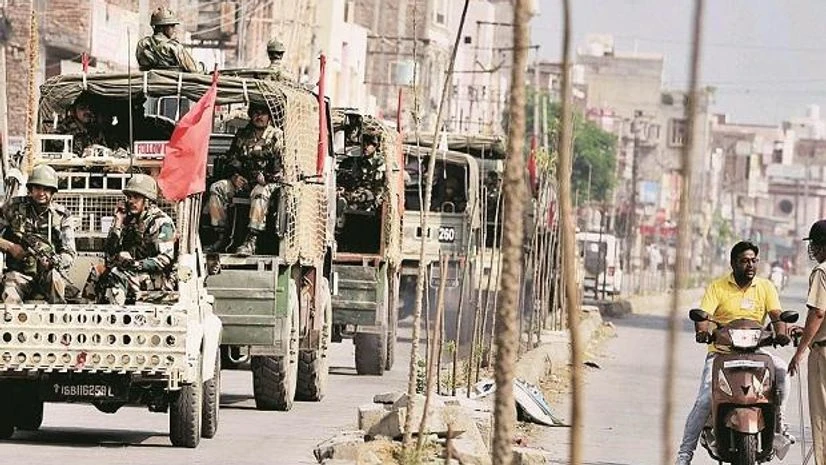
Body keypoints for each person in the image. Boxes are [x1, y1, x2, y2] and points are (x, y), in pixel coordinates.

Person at [675, 241, 794, 465]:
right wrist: (703, 332)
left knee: (782, 370)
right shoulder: (717, 287)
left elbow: (777, 315)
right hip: (721, 353)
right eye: (744, 261)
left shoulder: (766, 287)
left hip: (755, 353)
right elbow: (703, 316)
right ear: (733, 264)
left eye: (753, 261)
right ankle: (684, 454)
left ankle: (779, 421)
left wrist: (781, 332)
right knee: (704, 399)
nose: (750, 265)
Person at [206, 102, 284, 255]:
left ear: (269, 116)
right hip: (244, 181)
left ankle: (252, 239)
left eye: (262, 113)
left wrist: (267, 177)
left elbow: (281, 167)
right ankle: (221, 236)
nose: (259, 116)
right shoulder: (243, 135)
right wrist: (234, 176)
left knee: (260, 193)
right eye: (255, 113)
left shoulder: (276, 136)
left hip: (268, 183)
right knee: (217, 188)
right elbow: (231, 160)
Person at [0, 165, 76, 304]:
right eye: (37, 188)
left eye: (46, 189)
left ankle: (58, 324)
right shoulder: (13, 207)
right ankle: (12, 325)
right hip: (19, 273)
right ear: (31, 189)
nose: (41, 193)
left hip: (48, 274)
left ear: (53, 192)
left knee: (56, 281)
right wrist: (10, 247)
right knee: (9, 293)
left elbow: (70, 252)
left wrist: (56, 261)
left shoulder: (62, 216)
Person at [96, 174, 176, 305]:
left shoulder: (160, 221)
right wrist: (118, 222)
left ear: (148, 200)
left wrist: (135, 264)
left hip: (157, 277)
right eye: (129, 197)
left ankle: (115, 316)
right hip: (133, 271)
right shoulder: (129, 220)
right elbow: (109, 254)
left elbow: (165, 260)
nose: (131, 201)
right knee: (97, 272)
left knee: (117, 274)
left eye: (136, 197)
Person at [788, 220, 826, 465]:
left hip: (823, 353)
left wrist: (800, 351)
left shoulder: (822, 271)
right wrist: (807, 331)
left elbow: (819, 312)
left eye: (815, 244)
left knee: (822, 416)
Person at [135, 7, 199, 73]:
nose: (174, 29)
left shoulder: (142, 44)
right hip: (172, 82)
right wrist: (203, 67)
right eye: (172, 26)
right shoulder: (174, 47)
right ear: (163, 27)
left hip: (147, 81)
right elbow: (193, 69)